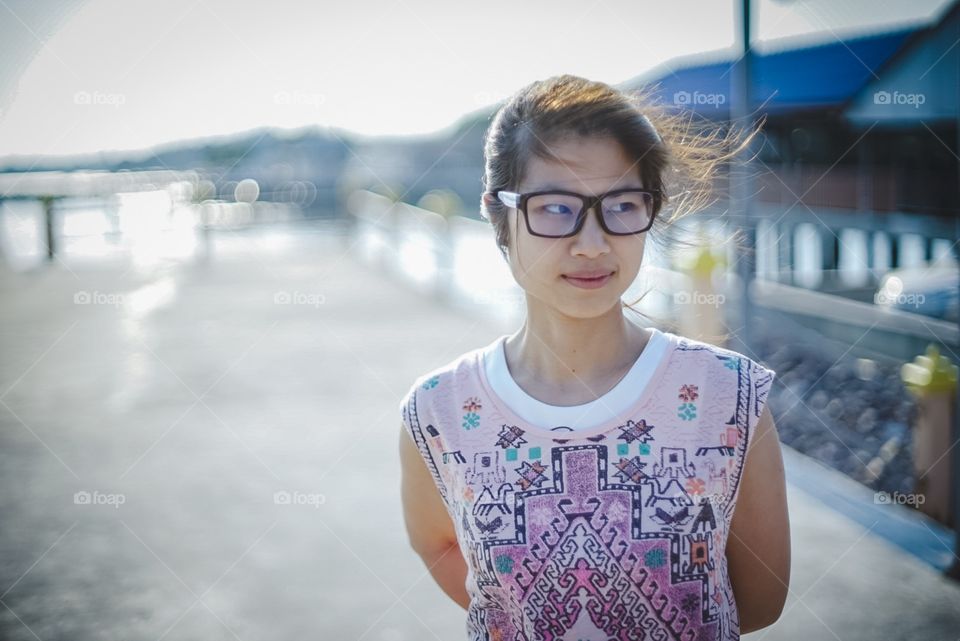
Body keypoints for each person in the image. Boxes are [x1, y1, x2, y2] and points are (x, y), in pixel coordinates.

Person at [398, 74, 790, 640]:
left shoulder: (728, 397)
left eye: (622, 205)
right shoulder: (439, 412)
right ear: (498, 215)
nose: (592, 243)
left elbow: (758, 598)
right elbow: (438, 546)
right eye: (556, 209)